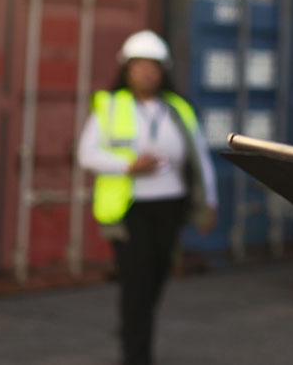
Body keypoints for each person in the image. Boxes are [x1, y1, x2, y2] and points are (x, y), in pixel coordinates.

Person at [77, 30, 217, 365]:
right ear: (127, 70)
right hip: (132, 208)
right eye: (139, 66)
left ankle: (133, 331)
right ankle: (136, 354)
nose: (146, 73)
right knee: (137, 283)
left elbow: (199, 156)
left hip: (171, 205)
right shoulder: (109, 107)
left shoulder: (179, 108)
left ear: (163, 70)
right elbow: (86, 154)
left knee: (156, 276)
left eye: (152, 66)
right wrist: (129, 166)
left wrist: (209, 202)